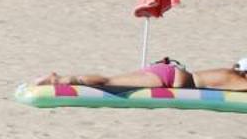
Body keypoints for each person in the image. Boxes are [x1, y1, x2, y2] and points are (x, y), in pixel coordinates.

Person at [36, 59, 247, 90]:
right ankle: (60, 80)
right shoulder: (236, 79)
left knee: (112, 80)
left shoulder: (230, 71)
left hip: (168, 72)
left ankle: (62, 78)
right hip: (170, 78)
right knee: (110, 82)